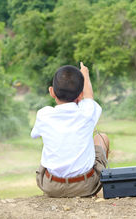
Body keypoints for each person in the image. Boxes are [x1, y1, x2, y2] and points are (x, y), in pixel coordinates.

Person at [31, 62, 109, 197]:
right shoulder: (87, 112)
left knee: (47, 153)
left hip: (51, 187)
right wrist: (85, 74)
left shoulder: (43, 114)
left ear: (51, 91)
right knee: (102, 137)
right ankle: (94, 193)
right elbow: (89, 97)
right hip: (86, 186)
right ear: (80, 95)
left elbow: (34, 135)